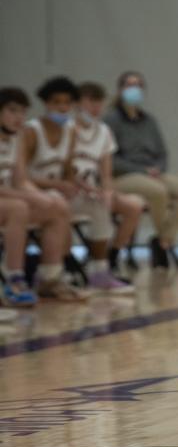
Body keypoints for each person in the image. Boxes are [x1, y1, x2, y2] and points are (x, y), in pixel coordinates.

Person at [23, 77, 133, 294]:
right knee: (58, 203)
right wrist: (57, 185)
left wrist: (85, 187)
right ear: (46, 104)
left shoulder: (69, 132)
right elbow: (20, 177)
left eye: (66, 103)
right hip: (33, 194)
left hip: (59, 193)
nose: (62, 108)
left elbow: (68, 172)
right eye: (56, 103)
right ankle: (55, 273)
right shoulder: (32, 131)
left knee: (98, 203)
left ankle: (99, 271)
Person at [0, 87, 87, 302]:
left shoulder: (16, 139)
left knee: (57, 207)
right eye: (12, 111)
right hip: (9, 203)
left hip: (8, 200)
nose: (18, 118)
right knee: (18, 208)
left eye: (22, 112)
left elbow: (21, 181)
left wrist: (41, 196)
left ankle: (50, 278)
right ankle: (13, 279)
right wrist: (29, 197)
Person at [104, 71, 178, 268]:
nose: (134, 90)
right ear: (120, 90)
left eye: (138, 85)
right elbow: (110, 158)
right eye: (129, 85)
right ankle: (163, 244)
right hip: (124, 175)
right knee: (157, 191)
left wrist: (158, 169)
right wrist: (143, 171)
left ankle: (163, 240)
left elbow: (162, 152)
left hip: (152, 173)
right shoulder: (111, 120)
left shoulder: (149, 120)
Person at [75, 82, 146, 276]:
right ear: (77, 104)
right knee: (92, 207)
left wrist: (107, 190)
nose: (96, 108)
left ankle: (113, 255)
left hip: (92, 190)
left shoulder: (104, 132)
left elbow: (106, 174)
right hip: (70, 190)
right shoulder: (67, 130)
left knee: (134, 205)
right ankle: (70, 263)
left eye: (99, 102)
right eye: (90, 102)